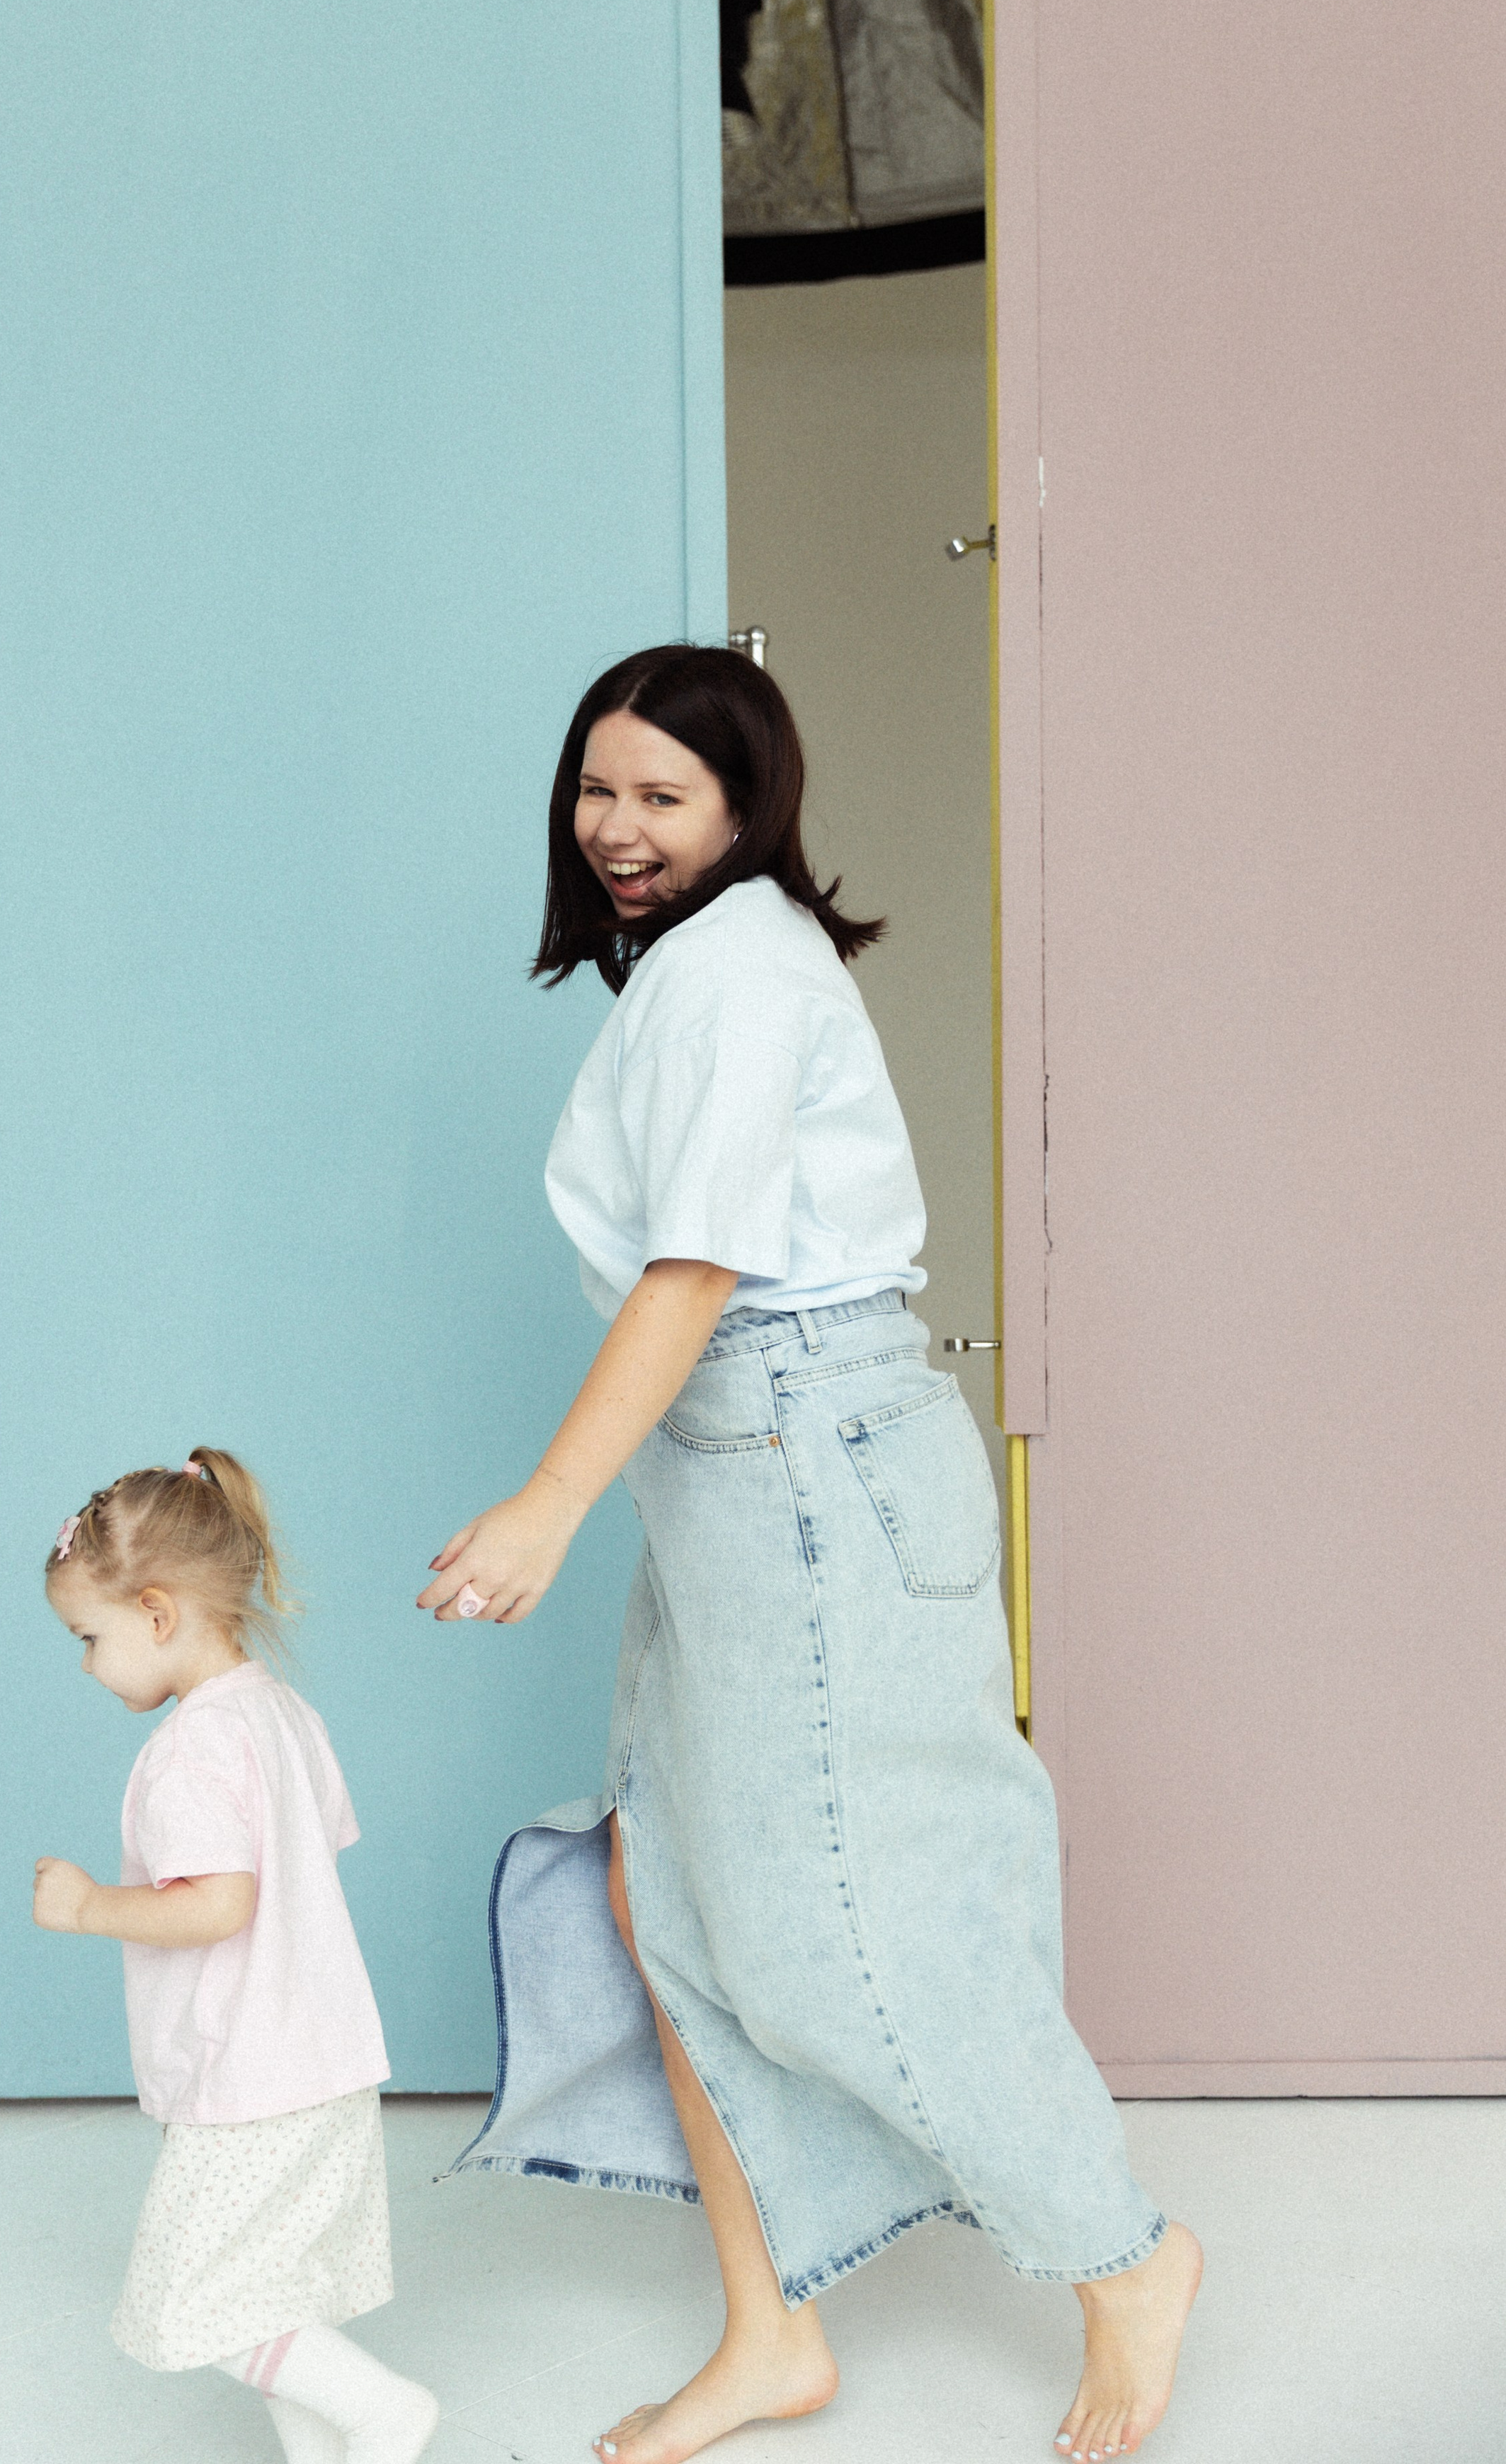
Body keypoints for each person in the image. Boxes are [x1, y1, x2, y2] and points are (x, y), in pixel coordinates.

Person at [418, 646, 1202, 2464]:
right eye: (595, 791)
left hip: (794, 1448)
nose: (616, 830)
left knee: (858, 1920)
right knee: (673, 1906)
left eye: (659, 799)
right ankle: (771, 2335)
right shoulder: (697, 968)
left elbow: (697, 1272)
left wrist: (543, 1503)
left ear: (743, 809)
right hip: (729, 1459)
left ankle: (1122, 2257)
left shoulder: (738, 978)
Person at [35, 1449, 439, 2464]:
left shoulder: (189, 1751)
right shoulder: (283, 1717)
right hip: (324, 2057)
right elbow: (314, 1853)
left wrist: (91, 1907)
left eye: (89, 1637)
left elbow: (219, 1904)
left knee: (209, 2306)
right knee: (265, 2292)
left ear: (158, 1614)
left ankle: (387, 2415)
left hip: (251, 2077)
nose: (86, 1665)